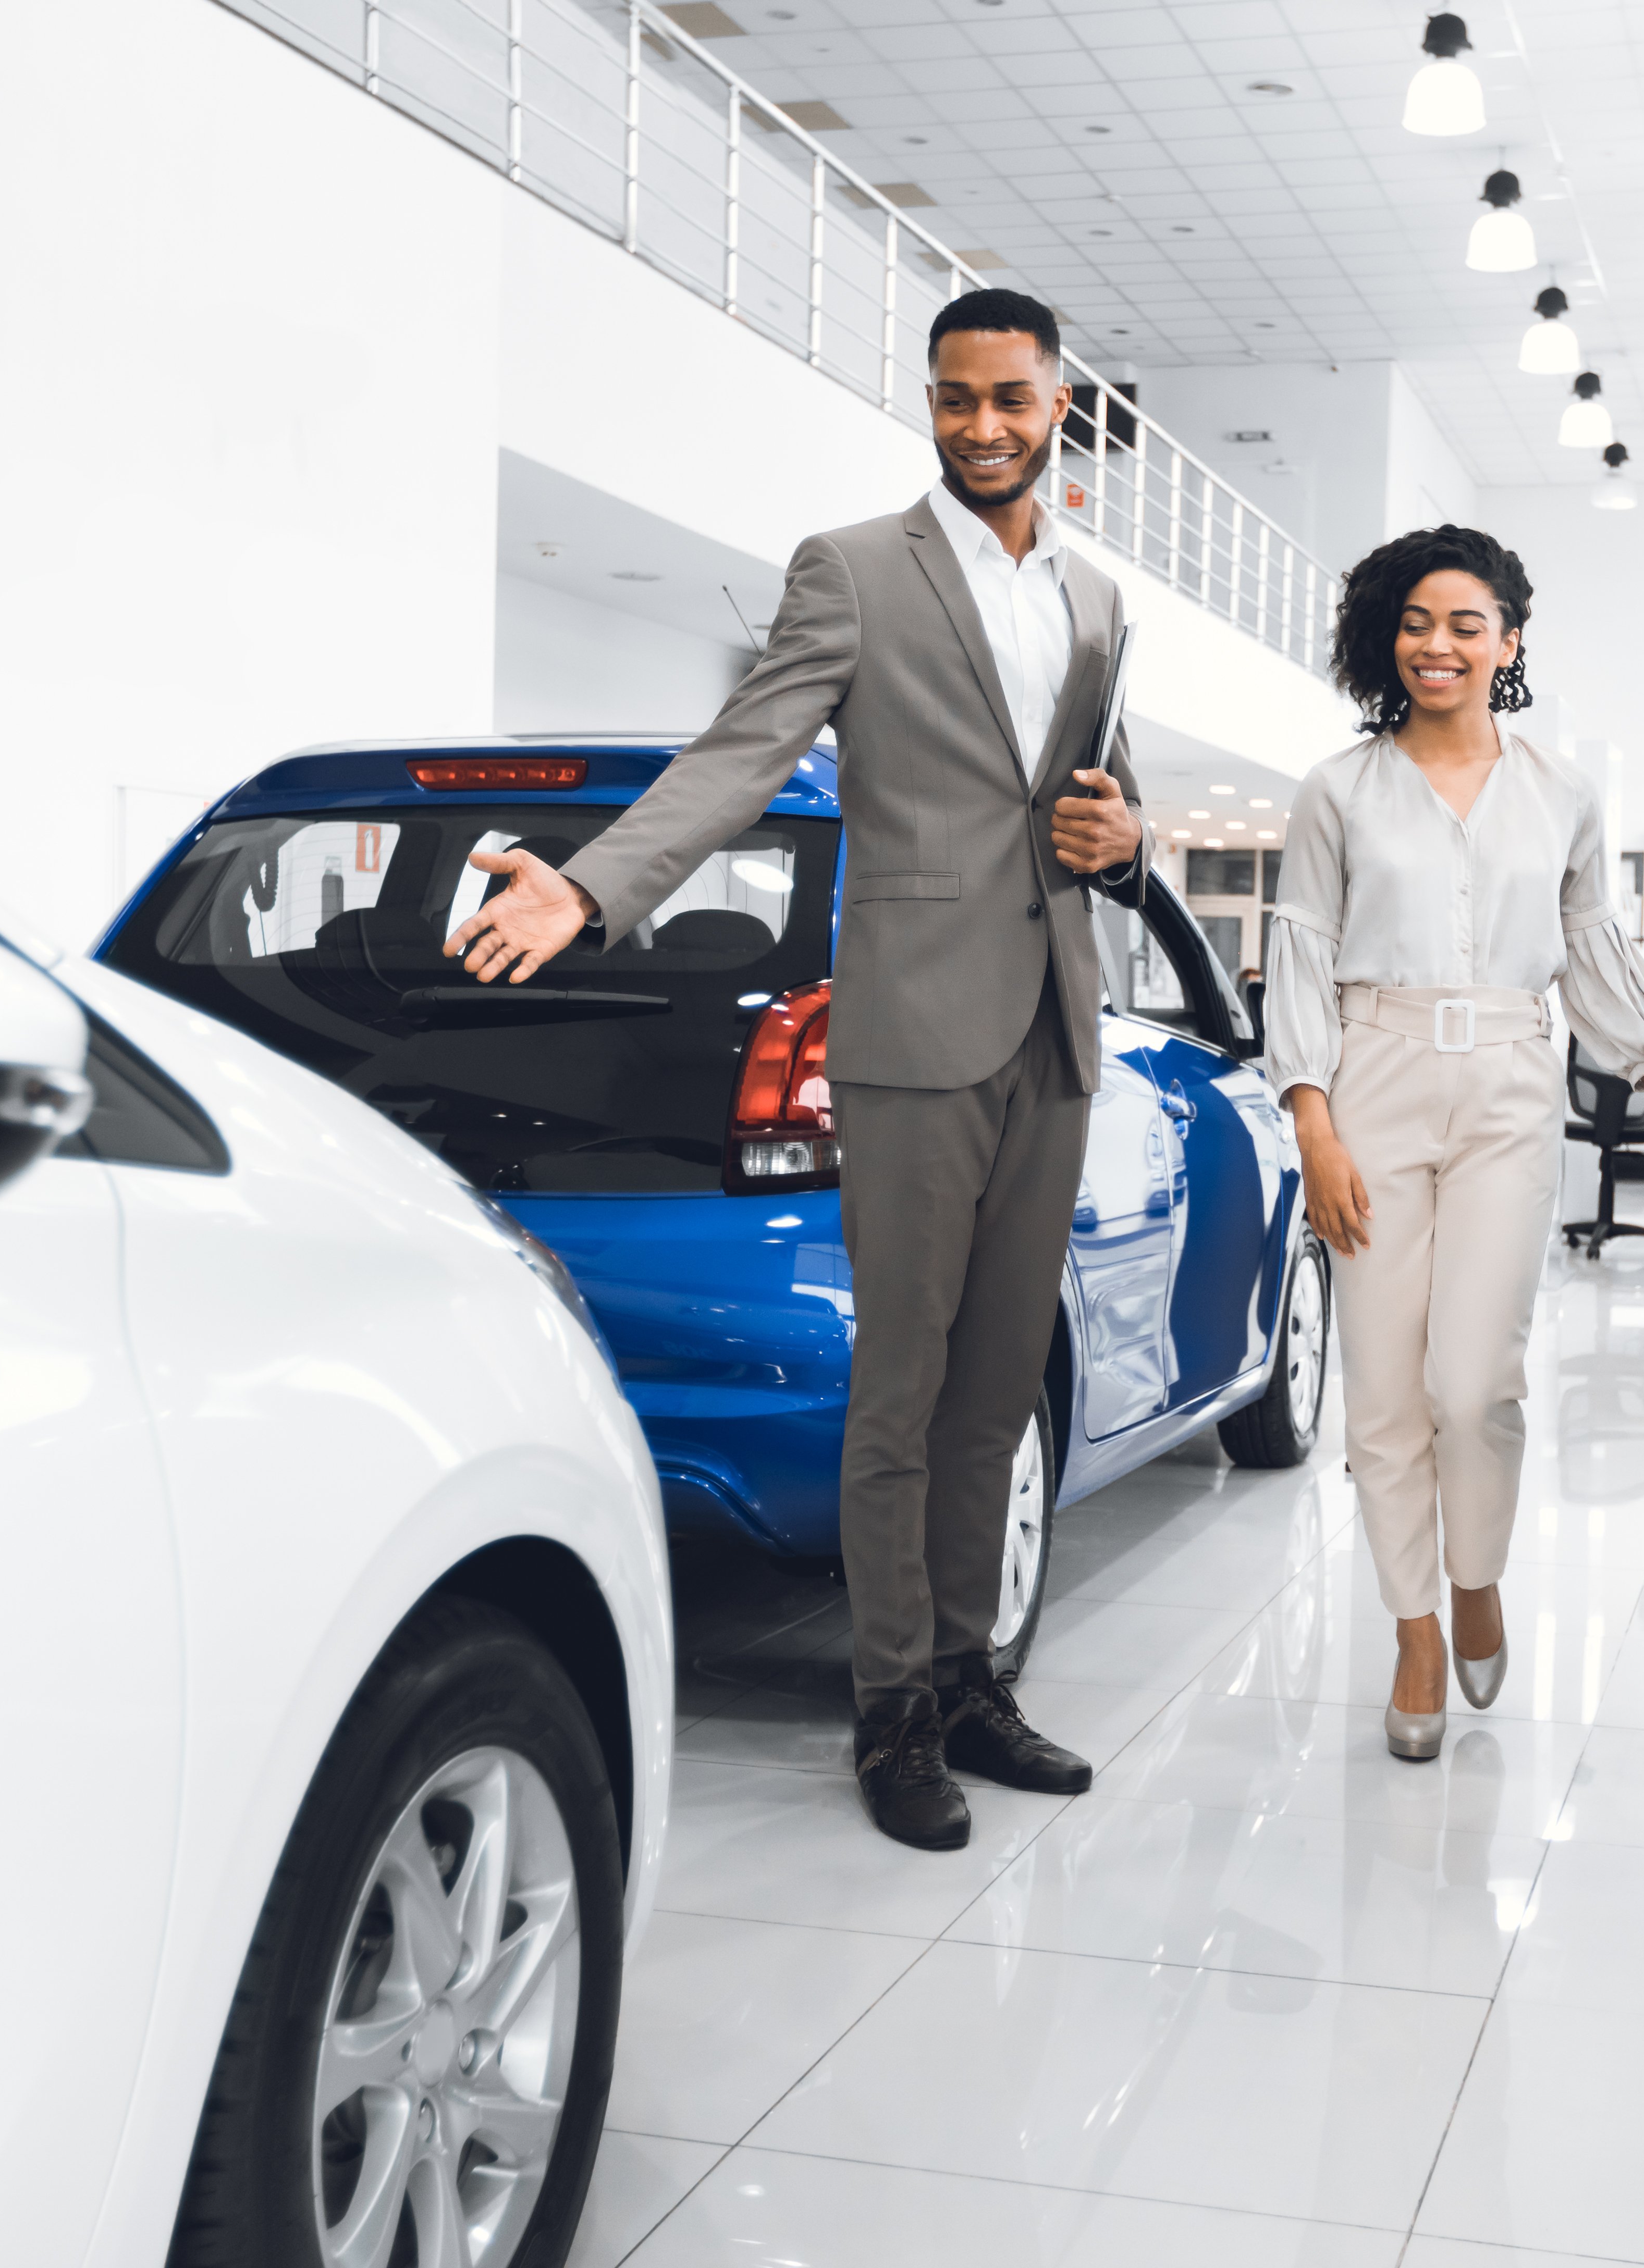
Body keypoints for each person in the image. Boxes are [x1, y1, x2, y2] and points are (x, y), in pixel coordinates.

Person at [448, 287, 1151, 1852]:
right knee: (898, 1392)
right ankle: (892, 1712)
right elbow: (742, 752)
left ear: (1058, 408)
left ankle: (973, 1680)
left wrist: (1133, 840)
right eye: (956, 399)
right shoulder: (853, 571)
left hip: (1055, 1024)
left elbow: (1106, 799)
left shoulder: (1098, 602)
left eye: (1011, 400)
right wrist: (598, 881)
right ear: (933, 401)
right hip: (908, 1032)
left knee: (992, 1394)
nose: (982, 427)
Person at [1265, 526, 1644, 1762]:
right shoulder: (1337, 789)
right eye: (1415, 623)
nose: (1436, 645)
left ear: (1509, 641)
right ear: (1389, 636)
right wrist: (1313, 1123)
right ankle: (1415, 1629)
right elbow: (1300, 957)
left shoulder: (1562, 793)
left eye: (1464, 624)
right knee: (1384, 1389)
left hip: (1507, 1075)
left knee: (1472, 1382)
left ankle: (1479, 1575)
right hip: (1372, 1074)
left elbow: (1595, 959)